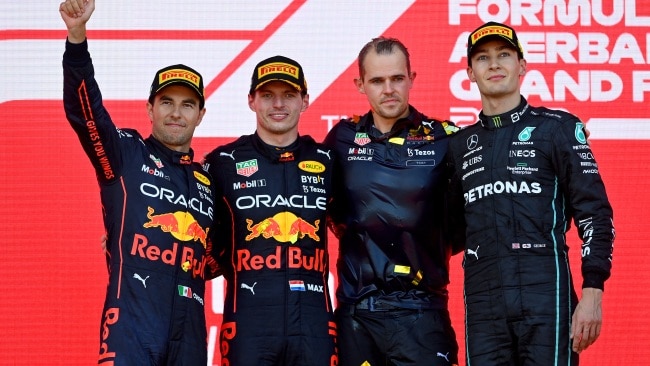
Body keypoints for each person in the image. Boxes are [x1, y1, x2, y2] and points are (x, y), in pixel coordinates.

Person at [446, 21, 615, 365]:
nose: (494, 64)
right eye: (482, 58)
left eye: (504, 54)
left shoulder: (557, 128)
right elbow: (447, 231)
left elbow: (594, 212)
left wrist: (593, 292)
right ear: (469, 73)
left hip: (546, 295)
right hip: (483, 300)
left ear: (522, 66)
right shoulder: (458, 146)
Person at [60, 0, 220, 364]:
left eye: (187, 104)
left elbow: (216, 258)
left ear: (201, 115)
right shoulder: (126, 153)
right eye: (166, 102)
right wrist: (76, 38)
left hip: (190, 332)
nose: (176, 113)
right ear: (150, 109)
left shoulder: (208, 181)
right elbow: (85, 113)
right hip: (131, 325)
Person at [323, 37, 461, 366]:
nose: (388, 89)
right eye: (377, 81)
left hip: (423, 312)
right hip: (358, 315)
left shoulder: (447, 139)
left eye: (397, 78)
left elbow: (468, 223)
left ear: (412, 78)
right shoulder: (341, 139)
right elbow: (327, 211)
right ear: (360, 85)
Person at [202, 55, 338, 365]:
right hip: (249, 326)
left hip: (314, 324)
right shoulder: (223, 163)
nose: (278, 104)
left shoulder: (329, 161)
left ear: (305, 100)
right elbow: (195, 234)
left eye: (289, 95)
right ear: (251, 100)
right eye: (267, 95)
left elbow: (359, 227)